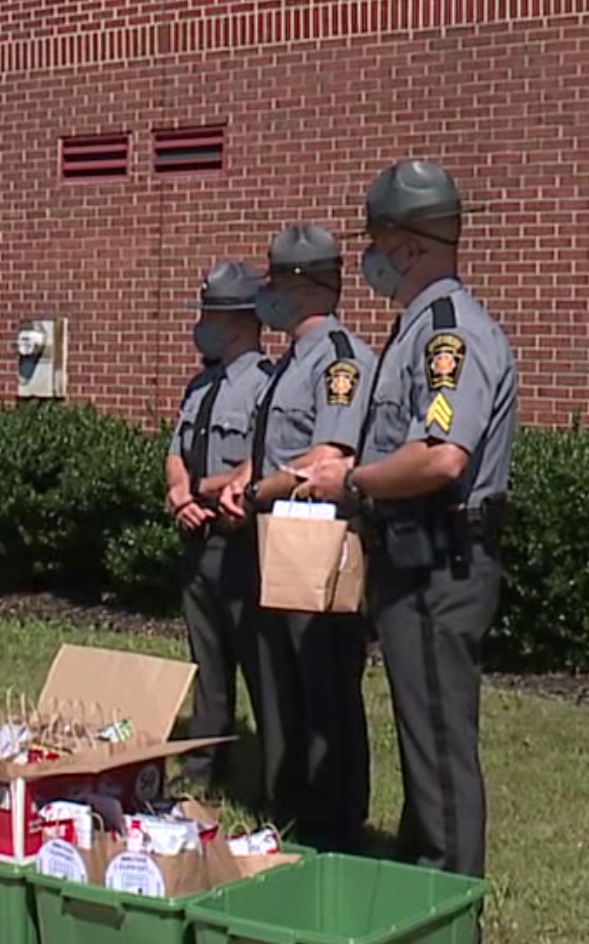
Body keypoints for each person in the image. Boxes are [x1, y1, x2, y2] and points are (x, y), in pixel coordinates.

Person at [296, 158, 517, 883]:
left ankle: (449, 901)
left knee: (440, 743)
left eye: (379, 242)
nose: (372, 258)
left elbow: (442, 456)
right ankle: (424, 870)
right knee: (424, 734)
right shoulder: (416, 330)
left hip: (439, 563)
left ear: (411, 243)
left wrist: (351, 480)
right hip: (413, 560)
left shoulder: (447, 334)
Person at [215, 222, 376, 851]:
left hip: (316, 549)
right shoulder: (290, 363)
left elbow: (327, 454)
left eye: (276, 282)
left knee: (325, 689)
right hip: (274, 543)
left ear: (304, 286)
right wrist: (241, 480)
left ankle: (335, 824)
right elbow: (273, 448)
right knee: (282, 684)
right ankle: (291, 810)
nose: (268, 298)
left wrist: (263, 489)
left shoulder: (339, 360)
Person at [165, 261, 276, 791]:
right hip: (198, 543)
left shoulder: (266, 385)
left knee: (259, 665)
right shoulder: (200, 383)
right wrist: (178, 492)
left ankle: (268, 776)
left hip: (243, 544)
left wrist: (213, 488)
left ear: (236, 320)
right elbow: (176, 451)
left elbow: (265, 458)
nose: (201, 324)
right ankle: (203, 771)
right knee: (207, 667)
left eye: (209, 313)